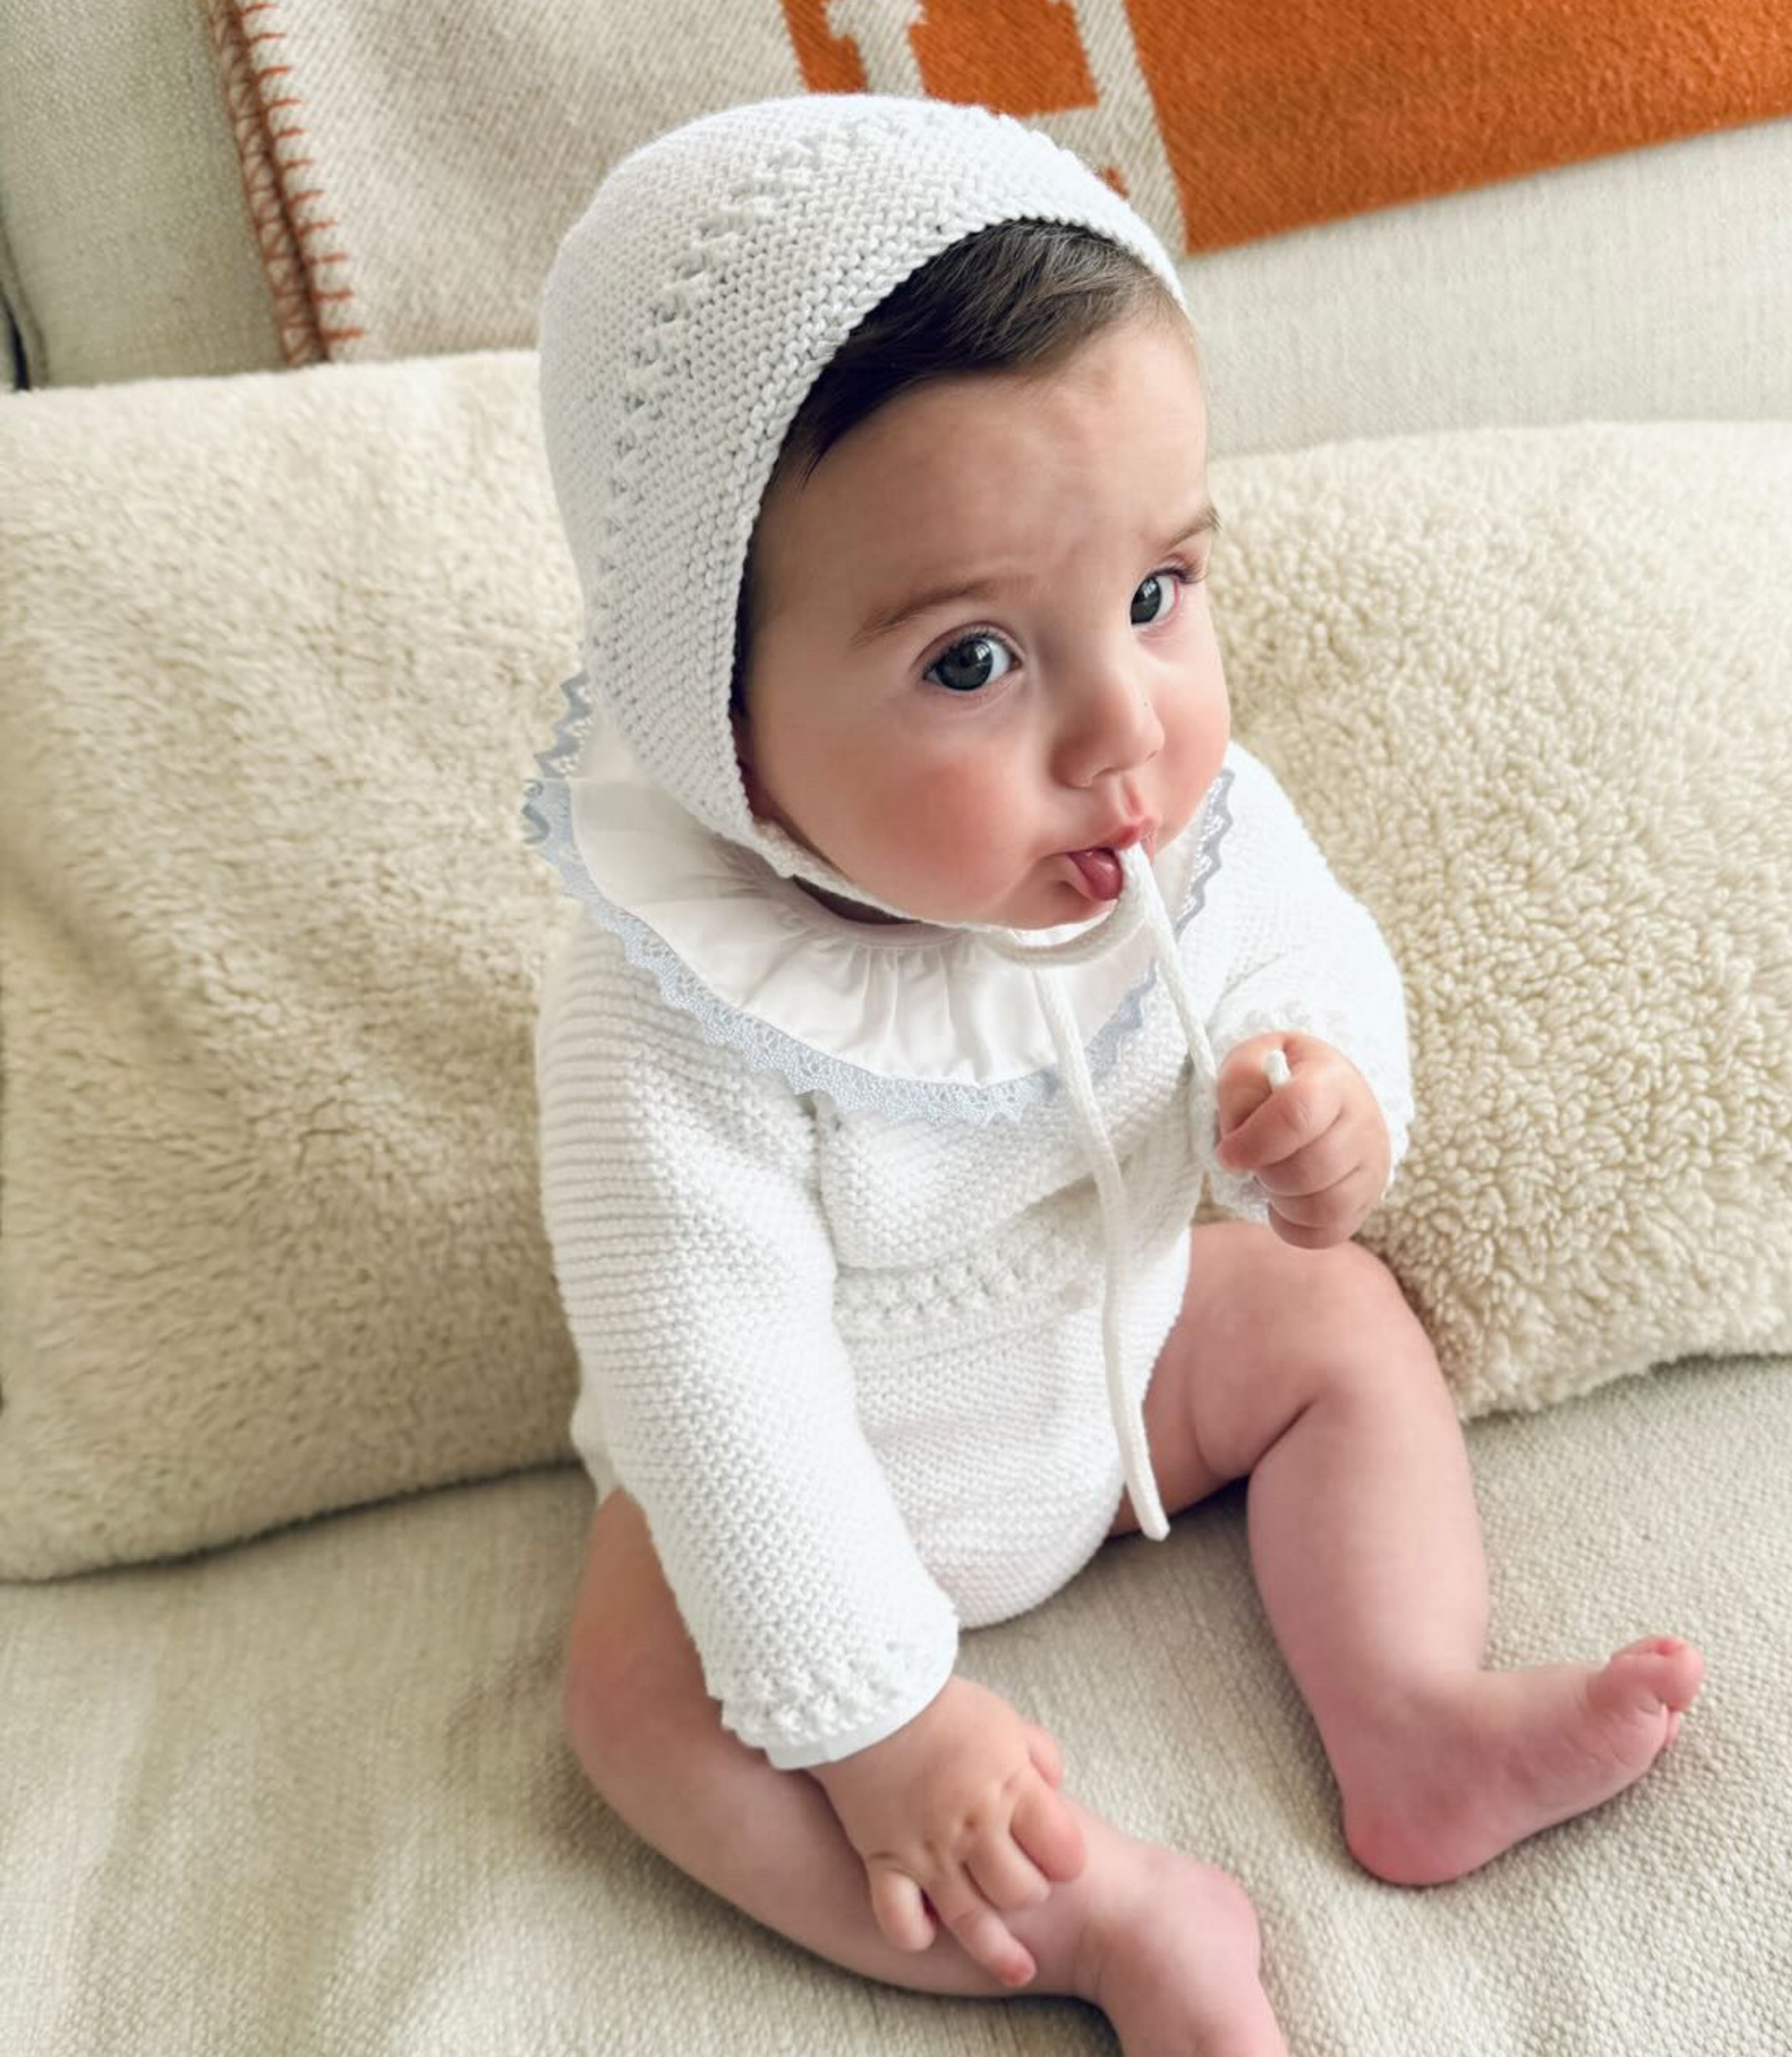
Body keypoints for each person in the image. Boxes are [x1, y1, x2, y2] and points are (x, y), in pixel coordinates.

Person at [521, 93, 1704, 2054]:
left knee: (1334, 1315)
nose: (1122, 732)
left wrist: (1323, 1101)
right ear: (709, 702)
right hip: (828, 1476)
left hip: (1127, 1360)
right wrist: (883, 1722)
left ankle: (1411, 1716)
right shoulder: (672, 1008)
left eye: (1156, 598)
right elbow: (712, 1384)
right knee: (638, 1708)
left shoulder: (1184, 826)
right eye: (971, 663)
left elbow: (1308, 954)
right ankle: (1113, 1925)